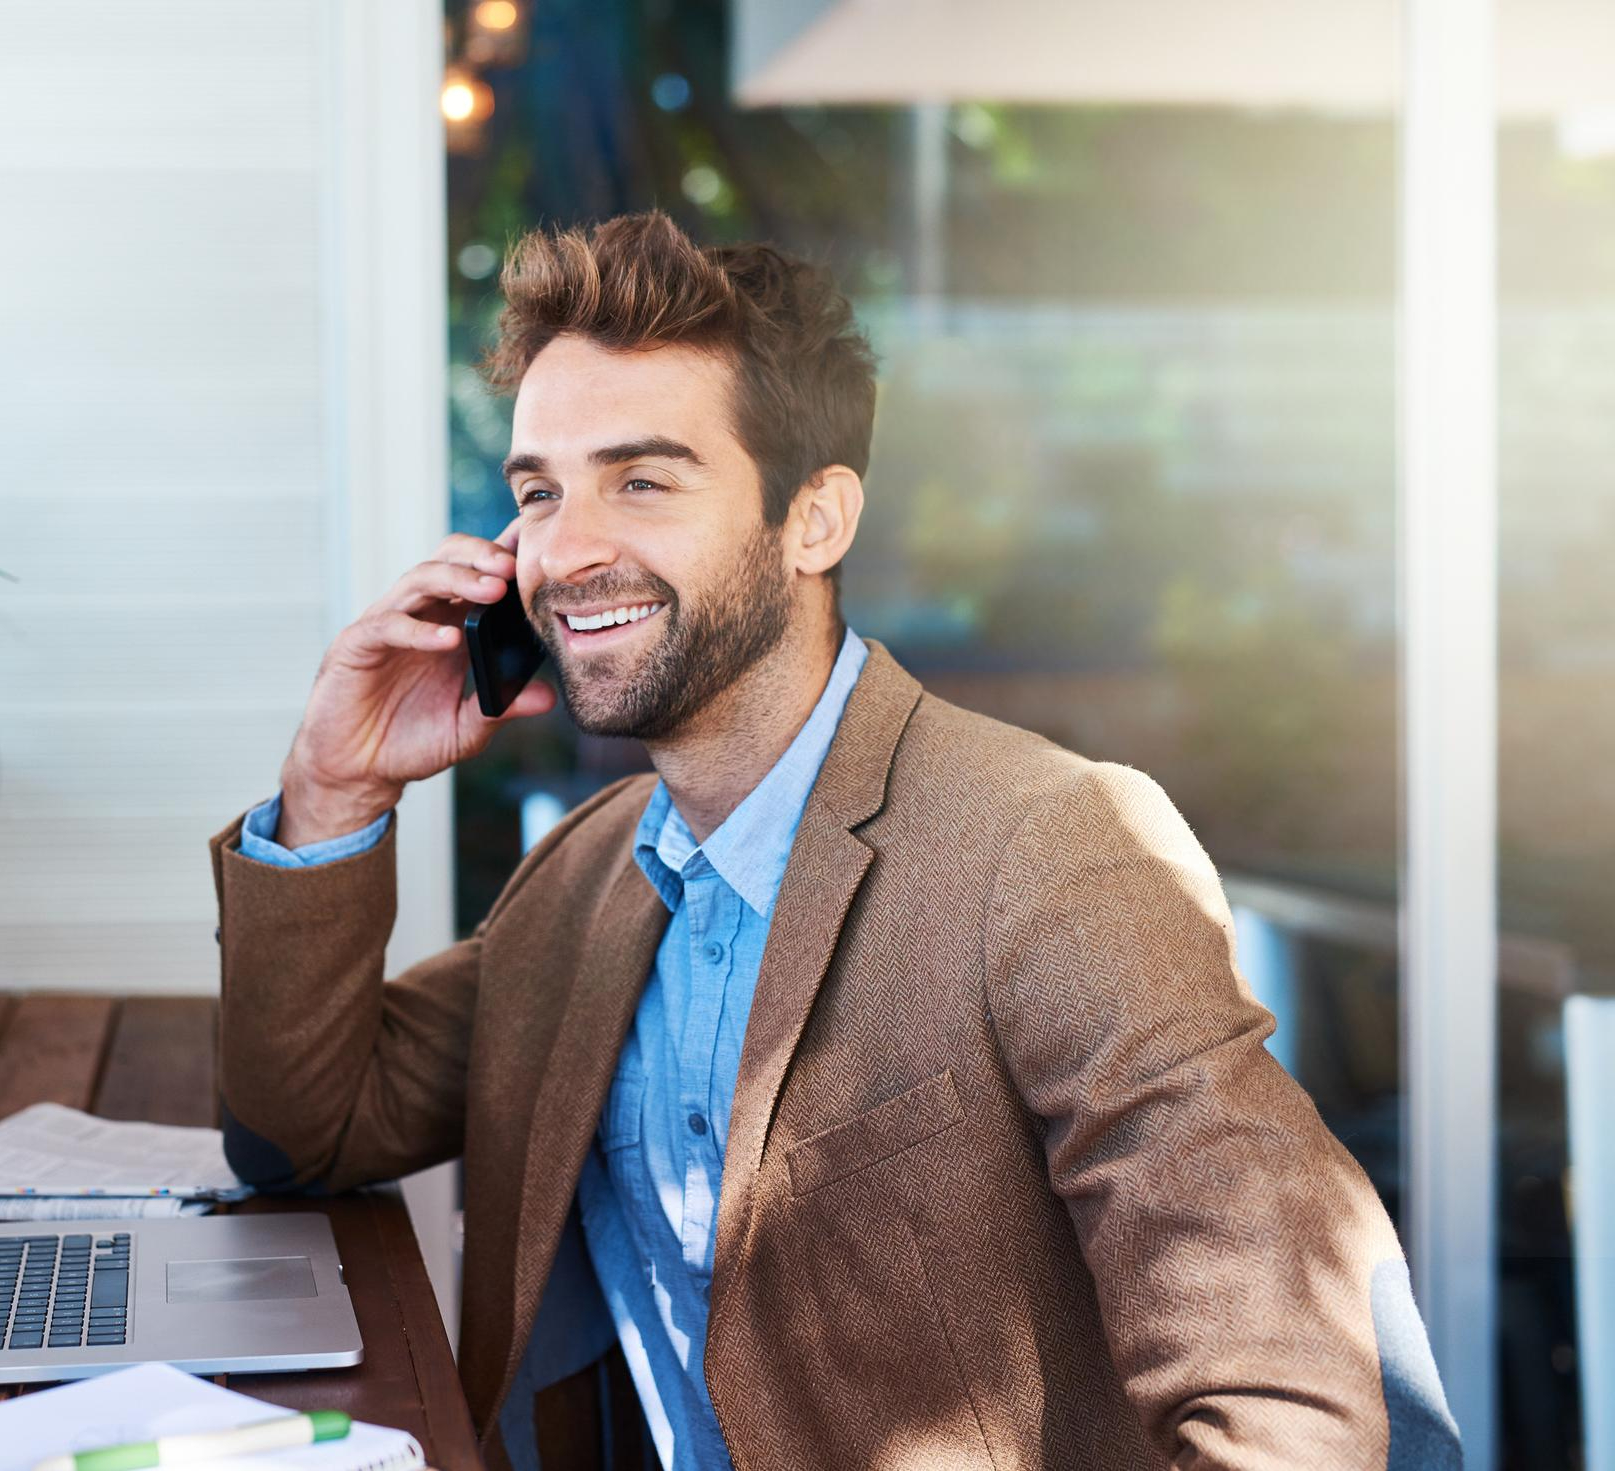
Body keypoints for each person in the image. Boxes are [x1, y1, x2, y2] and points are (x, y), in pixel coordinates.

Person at [210, 211, 1460, 1470]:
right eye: (538, 492)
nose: (563, 551)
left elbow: (1313, 1405)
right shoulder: (587, 880)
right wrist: (332, 786)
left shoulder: (1052, 848)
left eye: (640, 480)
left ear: (813, 521)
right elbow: (301, 1132)